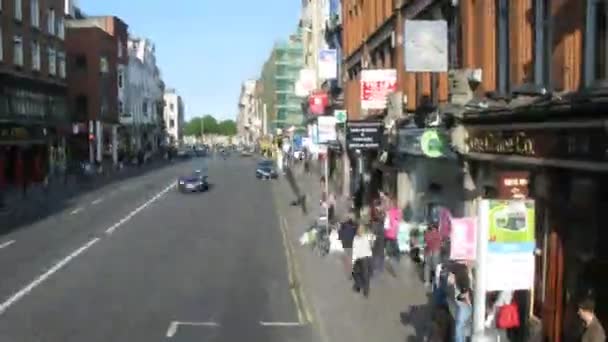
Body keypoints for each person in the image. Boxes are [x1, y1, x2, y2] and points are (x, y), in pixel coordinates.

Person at [352, 224, 374, 297]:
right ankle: (366, 291)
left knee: (357, 273)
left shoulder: (356, 238)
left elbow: (355, 250)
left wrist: (353, 260)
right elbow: (372, 244)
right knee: (366, 275)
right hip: (369, 258)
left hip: (362, 258)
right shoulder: (368, 235)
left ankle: (359, 287)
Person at [338, 213, 357, 278]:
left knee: (348, 259)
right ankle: (354, 271)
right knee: (352, 258)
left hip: (345, 245)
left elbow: (340, 237)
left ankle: (350, 273)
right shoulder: (354, 226)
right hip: (352, 244)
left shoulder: (342, 226)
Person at [424, 223, 442, 288]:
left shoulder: (427, 233)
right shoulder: (438, 233)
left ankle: (427, 281)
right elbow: (440, 241)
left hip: (429, 251)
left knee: (428, 266)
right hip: (435, 251)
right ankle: (436, 281)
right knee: (436, 267)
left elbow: (426, 241)